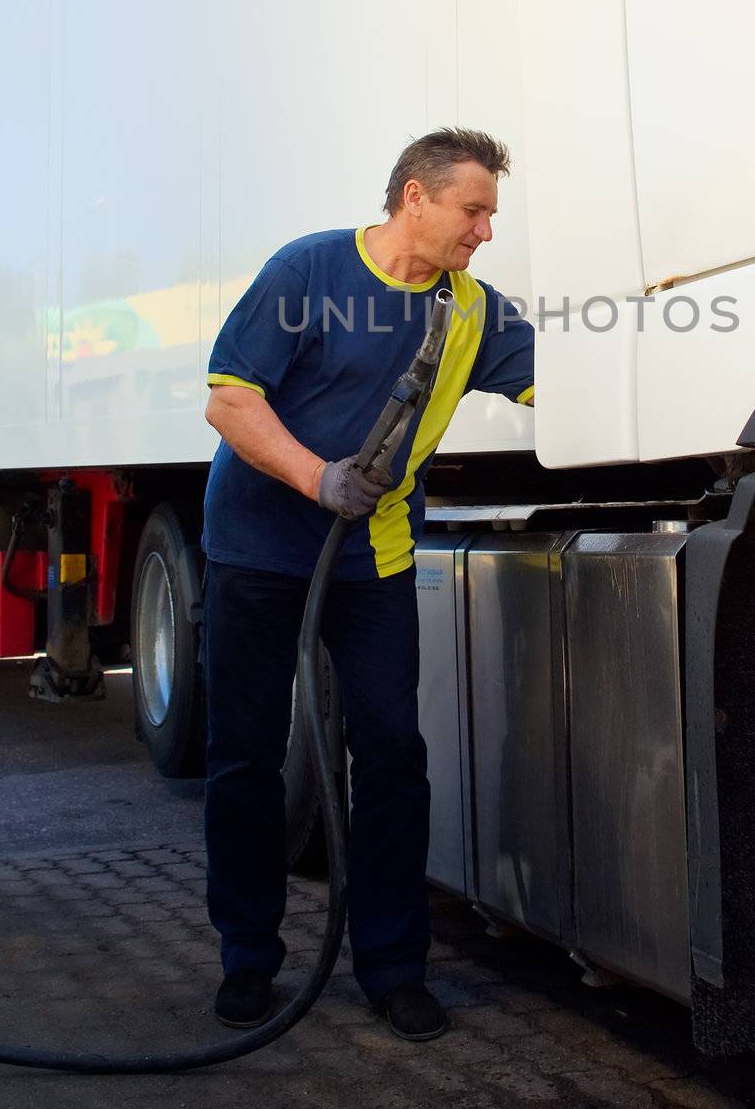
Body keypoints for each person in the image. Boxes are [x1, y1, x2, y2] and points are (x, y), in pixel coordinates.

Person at [199, 127, 535, 1040]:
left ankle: (393, 967)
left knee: (390, 756)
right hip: (258, 549)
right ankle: (247, 960)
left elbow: (562, 383)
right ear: (414, 199)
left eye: (490, 215)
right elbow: (230, 398)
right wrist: (317, 479)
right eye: (473, 210)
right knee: (246, 758)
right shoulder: (309, 273)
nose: (485, 232)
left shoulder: (473, 312)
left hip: (372, 558)